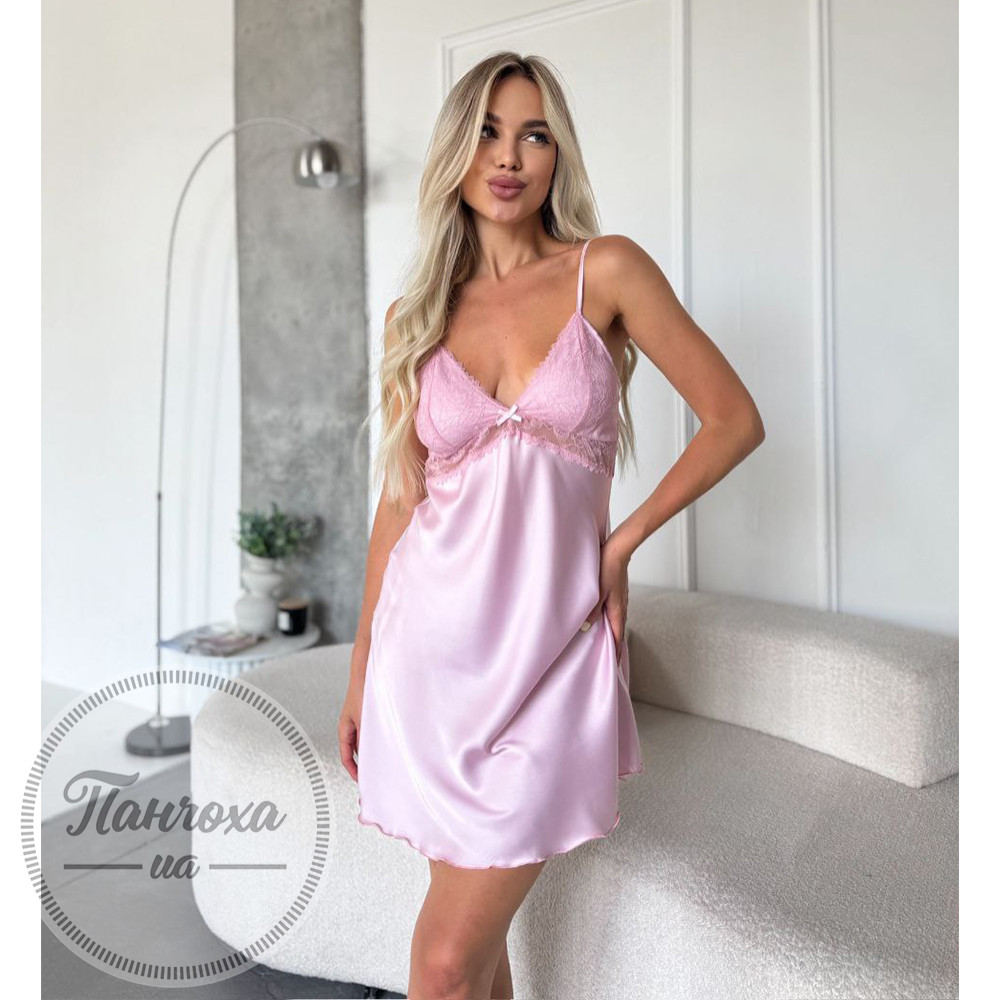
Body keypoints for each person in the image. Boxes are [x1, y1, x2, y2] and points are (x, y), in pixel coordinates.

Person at [339, 51, 765, 1000]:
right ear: (456, 151)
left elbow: (734, 419)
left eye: (534, 134)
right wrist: (361, 667)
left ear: (557, 153)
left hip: (552, 658)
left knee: (442, 965)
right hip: (429, 660)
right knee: (474, 961)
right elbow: (400, 502)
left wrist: (620, 544)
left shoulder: (603, 272)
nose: (509, 156)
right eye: (488, 132)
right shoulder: (415, 317)